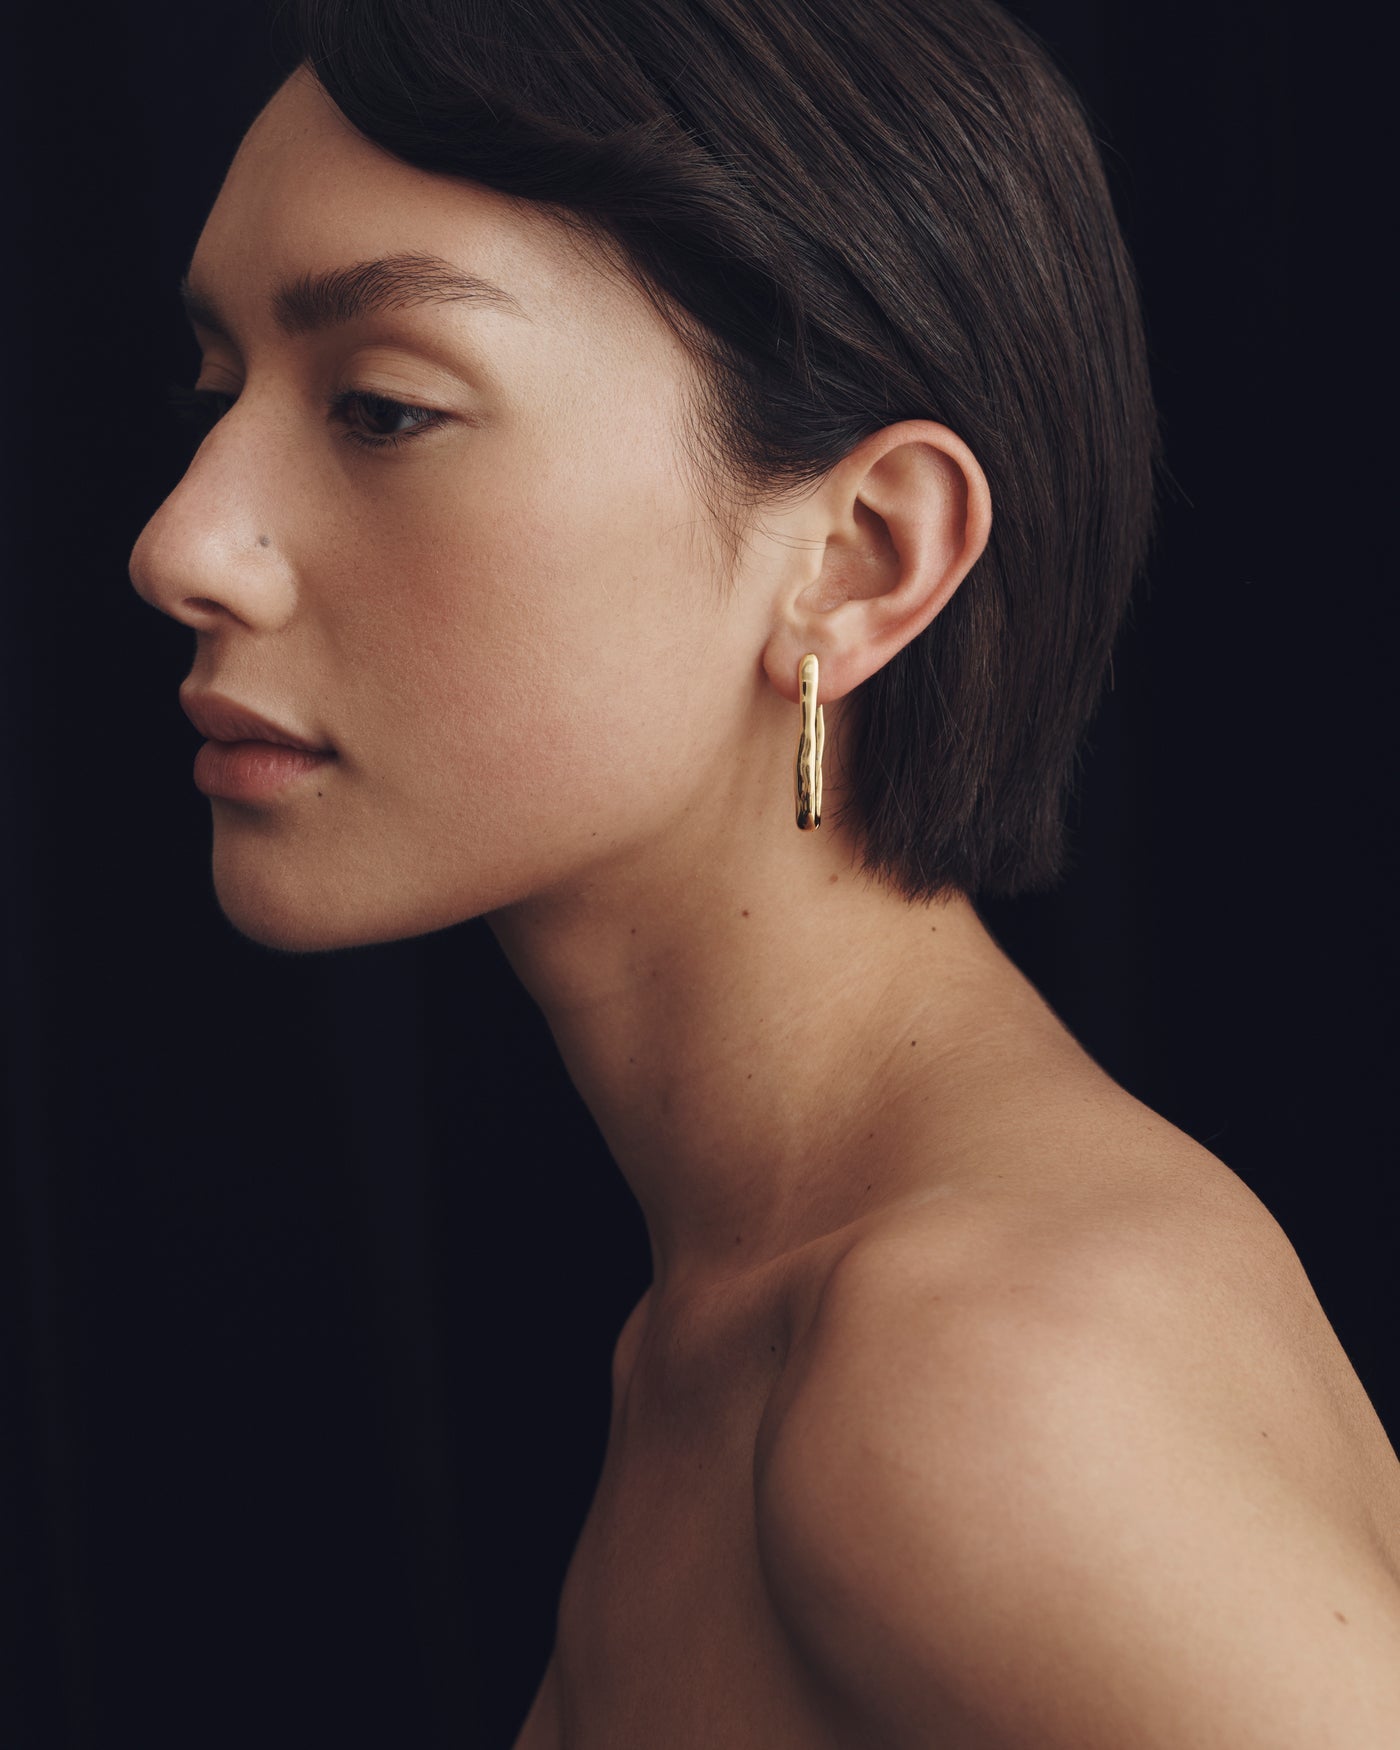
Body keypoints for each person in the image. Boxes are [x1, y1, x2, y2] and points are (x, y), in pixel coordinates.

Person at [127, 0, 1400, 1742]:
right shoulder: (737, 1317)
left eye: (383, 408)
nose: (182, 542)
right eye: (217, 396)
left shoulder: (975, 1372)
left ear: (861, 559)